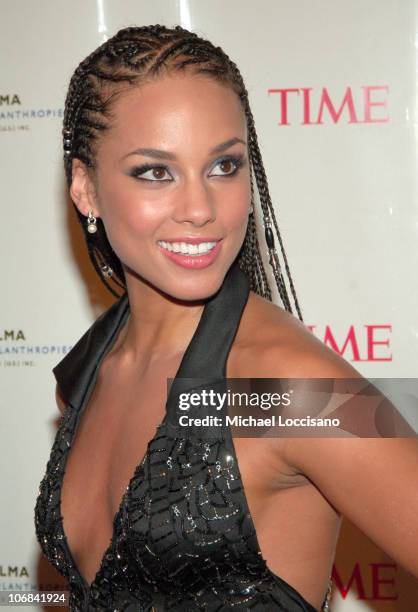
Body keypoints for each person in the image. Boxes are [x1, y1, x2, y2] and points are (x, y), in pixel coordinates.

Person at [34, 24, 418, 612]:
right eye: (155, 172)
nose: (200, 209)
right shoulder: (89, 372)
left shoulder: (288, 391)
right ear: (85, 189)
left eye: (224, 167)